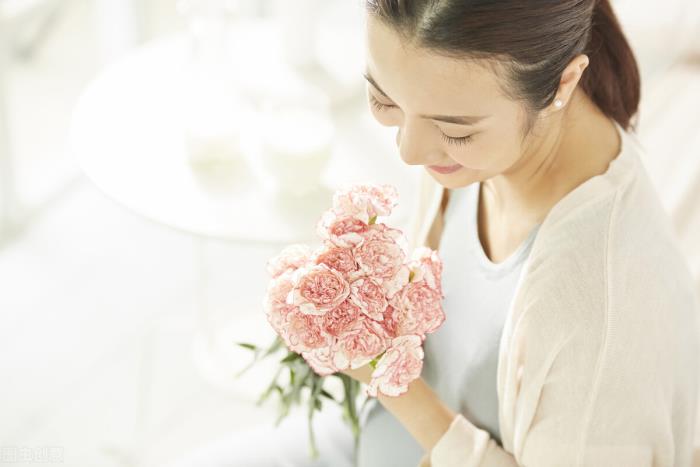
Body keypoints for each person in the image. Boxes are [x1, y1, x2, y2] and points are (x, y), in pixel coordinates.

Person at [166, 0, 700, 466]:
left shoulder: (597, 311)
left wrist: (390, 380)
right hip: (363, 440)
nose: (409, 152)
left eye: (454, 131)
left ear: (563, 82)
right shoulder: (484, 142)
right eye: (385, 101)